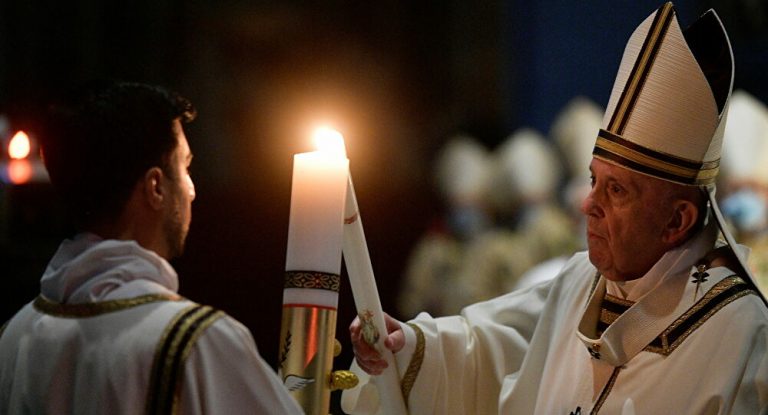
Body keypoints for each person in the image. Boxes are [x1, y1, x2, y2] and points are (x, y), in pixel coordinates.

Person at [342, 3, 768, 414]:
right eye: (592, 181)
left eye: (616, 190)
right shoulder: (582, 281)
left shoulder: (742, 334)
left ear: (677, 220)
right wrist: (410, 346)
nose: (588, 204)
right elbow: (490, 346)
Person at [0, 81, 302, 414]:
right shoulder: (195, 342)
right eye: (185, 167)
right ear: (156, 187)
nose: (192, 191)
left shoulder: (14, 337)